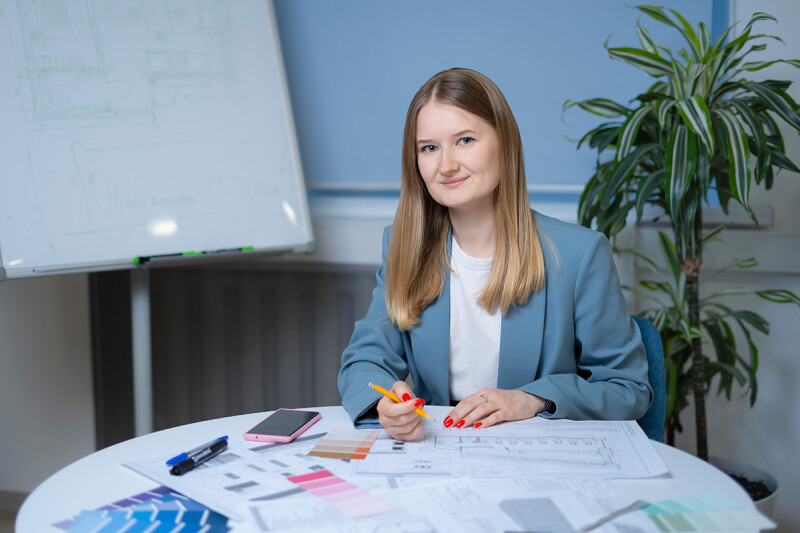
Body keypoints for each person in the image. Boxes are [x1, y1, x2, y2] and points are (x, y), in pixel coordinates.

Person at [338, 68, 652, 441]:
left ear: (505, 143)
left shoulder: (578, 255)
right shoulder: (404, 247)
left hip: (537, 461)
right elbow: (364, 361)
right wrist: (387, 405)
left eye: (465, 140)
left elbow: (627, 388)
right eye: (429, 148)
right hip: (439, 456)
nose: (447, 165)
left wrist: (534, 399)